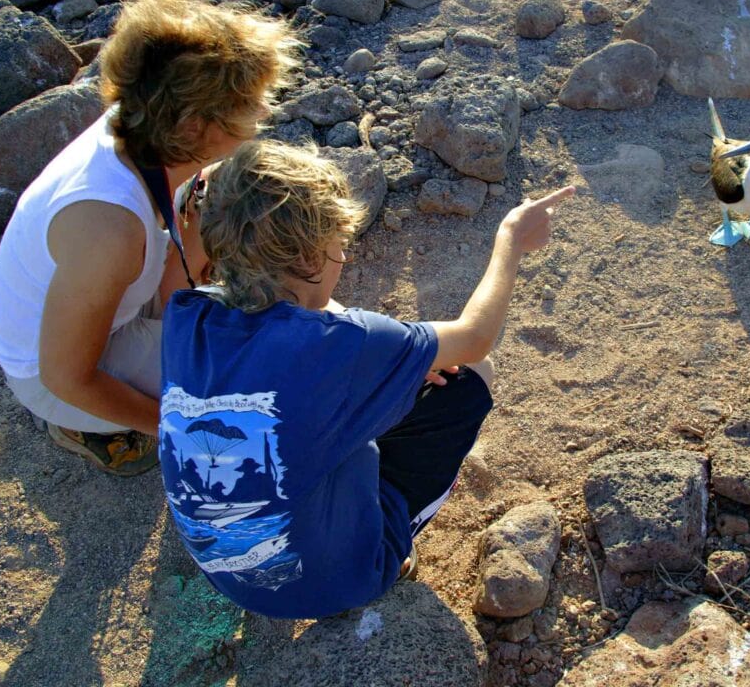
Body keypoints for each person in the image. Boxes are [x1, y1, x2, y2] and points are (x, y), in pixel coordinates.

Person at [158, 139, 574, 619]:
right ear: (313, 255)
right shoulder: (339, 345)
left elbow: (317, 327)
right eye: (340, 245)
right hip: (324, 584)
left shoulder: (185, 312)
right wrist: (511, 240)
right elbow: (476, 337)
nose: (346, 258)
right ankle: (390, 558)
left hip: (228, 570)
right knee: (471, 377)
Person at [0, 0, 300, 476]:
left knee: (230, 220)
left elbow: (183, 218)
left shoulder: (144, 119)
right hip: (53, 373)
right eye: (251, 104)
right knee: (252, 382)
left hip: (112, 299)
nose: (262, 114)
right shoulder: (108, 228)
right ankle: (90, 424)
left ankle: (173, 355)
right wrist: (177, 425)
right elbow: (65, 375)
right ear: (197, 126)